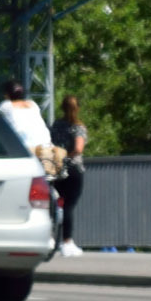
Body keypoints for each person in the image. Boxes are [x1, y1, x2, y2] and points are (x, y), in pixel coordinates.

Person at [49, 94, 88, 257]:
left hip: (56, 167)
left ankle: (52, 238)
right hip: (73, 169)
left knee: (56, 204)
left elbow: (49, 143)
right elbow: (79, 148)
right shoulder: (78, 127)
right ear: (77, 108)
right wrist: (69, 155)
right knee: (69, 205)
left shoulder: (56, 125)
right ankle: (67, 241)